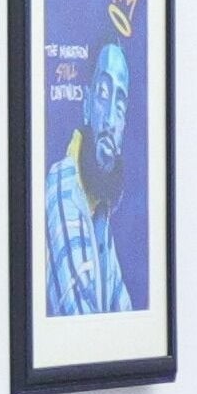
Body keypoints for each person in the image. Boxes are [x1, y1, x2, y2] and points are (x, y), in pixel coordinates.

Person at [44, 36, 136, 316]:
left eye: (119, 104)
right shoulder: (64, 188)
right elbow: (83, 321)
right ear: (86, 104)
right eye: (103, 94)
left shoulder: (99, 209)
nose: (109, 119)